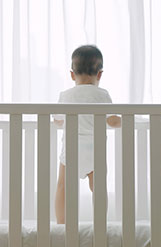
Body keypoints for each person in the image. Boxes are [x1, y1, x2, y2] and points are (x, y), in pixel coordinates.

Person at [53, 45, 121, 224]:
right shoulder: (102, 95)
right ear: (99, 74)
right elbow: (112, 120)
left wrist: (59, 121)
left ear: (71, 74)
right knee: (98, 188)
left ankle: (61, 225)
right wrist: (126, 121)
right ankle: (100, 224)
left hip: (71, 151)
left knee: (62, 187)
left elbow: (57, 119)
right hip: (94, 153)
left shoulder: (66, 96)